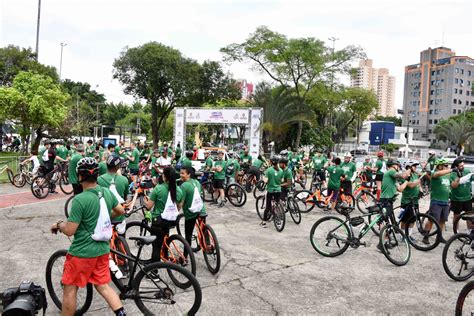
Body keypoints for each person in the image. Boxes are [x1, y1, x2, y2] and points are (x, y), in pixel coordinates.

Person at [50, 157, 126, 316]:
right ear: (97, 175)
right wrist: (102, 215)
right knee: (104, 286)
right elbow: (120, 211)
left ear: (79, 177)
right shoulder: (105, 192)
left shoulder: (79, 200)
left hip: (82, 253)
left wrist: (58, 224)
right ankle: (121, 314)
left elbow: (70, 230)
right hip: (102, 251)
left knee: (70, 288)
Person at [144, 166, 183, 262]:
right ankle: (165, 257)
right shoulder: (179, 190)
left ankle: (154, 271)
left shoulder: (158, 188)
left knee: (156, 246)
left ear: (164, 177)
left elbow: (149, 207)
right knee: (165, 239)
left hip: (158, 221)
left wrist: (146, 201)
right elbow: (178, 207)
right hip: (171, 220)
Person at [423, 158, 458, 244]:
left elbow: (454, 185)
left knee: (442, 220)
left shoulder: (448, 176)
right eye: (446, 165)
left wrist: (458, 178)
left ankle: (439, 237)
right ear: (440, 166)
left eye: (448, 165)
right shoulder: (435, 174)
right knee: (432, 220)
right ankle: (425, 236)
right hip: (436, 201)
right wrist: (452, 169)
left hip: (445, 201)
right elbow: (438, 173)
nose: (447, 167)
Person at [98, 155, 130, 234]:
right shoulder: (124, 179)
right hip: (119, 216)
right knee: (121, 241)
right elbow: (125, 197)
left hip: (104, 217)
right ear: (118, 167)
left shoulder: (99, 179)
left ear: (106, 165)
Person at [179, 166, 207, 250]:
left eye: (183, 173)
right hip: (202, 210)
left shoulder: (184, 186)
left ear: (189, 175)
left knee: (188, 235)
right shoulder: (197, 182)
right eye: (180, 173)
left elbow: (181, 203)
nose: (181, 175)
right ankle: (207, 244)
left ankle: (185, 257)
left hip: (191, 213)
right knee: (203, 229)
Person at [450, 158, 473, 233]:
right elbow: (454, 186)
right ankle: (455, 231)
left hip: (467, 198)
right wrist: (459, 177)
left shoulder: (467, 171)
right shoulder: (453, 173)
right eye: (460, 166)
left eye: (463, 165)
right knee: (456, 216)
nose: (463, 167)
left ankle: (469, 230)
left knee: (469, 215)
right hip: (457, 199)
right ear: (456, 167)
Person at [399, 160, 422, 231]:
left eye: (416, 166)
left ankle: (409, 234)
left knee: (413, 219)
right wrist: (420, 180)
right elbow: (411, 185)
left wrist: (421, 190)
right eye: (414, 166)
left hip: (415, 200)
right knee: (404, 220)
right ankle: (402, 235)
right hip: (407, 201)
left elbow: (418, 184)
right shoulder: (405, 176)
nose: (416, 167)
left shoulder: (415, 174)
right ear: (409, 167)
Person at [260, 155, 283, 227]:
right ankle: (278, 220)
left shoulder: (269, 170)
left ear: (271, 162)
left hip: (270, 191)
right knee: (277, 204)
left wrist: (264, 178)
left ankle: (264, 222)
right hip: (278, 190)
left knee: (267, 207)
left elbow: (266, 181)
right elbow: (281, 180)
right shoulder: (281, 170)